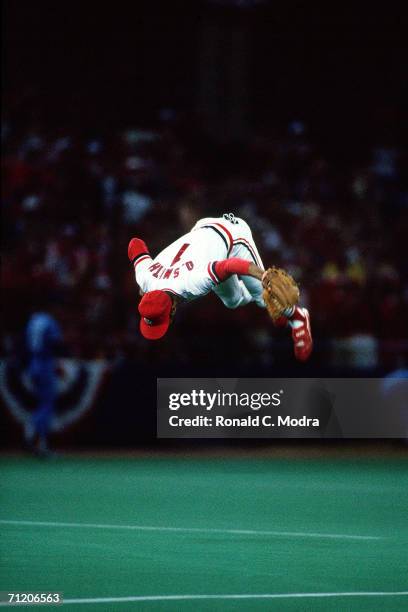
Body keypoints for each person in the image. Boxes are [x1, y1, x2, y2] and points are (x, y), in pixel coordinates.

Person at [128, 213, 312, 361]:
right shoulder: (145, 277)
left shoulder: (193, 283)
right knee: (232, 301)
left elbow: (230, 265)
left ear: (173, 308)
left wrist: (262, 276)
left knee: (262, 299)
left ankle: (298, 317)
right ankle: (270, 303)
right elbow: (135, 244)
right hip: (205, 240)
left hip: (232, 236)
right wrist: (145, 281)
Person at [24, 310, 62, 456]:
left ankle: (36, 436)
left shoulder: (32, 320)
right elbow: (55, 342)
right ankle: (37, 437)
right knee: (46, 404)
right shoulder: (48, 320)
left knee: (40, 402)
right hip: (45, 364)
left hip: (33, 364)